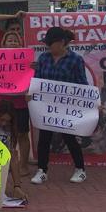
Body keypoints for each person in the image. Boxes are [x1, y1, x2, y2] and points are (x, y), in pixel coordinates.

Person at [30, 27, 89, 185]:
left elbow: (82, 83)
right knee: (44, 138)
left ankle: (80, 169)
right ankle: (42, 170)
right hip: (46, 106)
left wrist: (92, 103)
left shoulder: (75, 60)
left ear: (62, 42)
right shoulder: (43, 58)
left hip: (66, 106)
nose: (48, 46)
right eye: (47, 43)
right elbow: (37, 80)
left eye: (51, 43)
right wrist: (31, 93)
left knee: (69, 137)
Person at [0, 31, 31, 176]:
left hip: (21, 103)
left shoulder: (27, 61)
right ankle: (7, 163)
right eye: (9, 40)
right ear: (3, 43)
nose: (12, 43)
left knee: (23, 134)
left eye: (15, 40)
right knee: (6, 134)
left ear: (20, 43)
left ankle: (23, 165)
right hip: (3, 104)